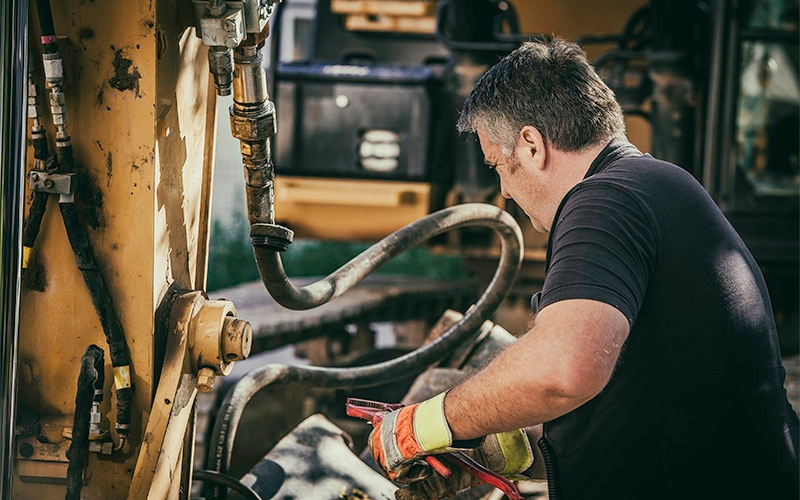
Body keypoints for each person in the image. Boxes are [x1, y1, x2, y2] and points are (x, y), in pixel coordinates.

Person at [368, 38, 800, 500]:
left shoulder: (606, 200)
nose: (505, 193)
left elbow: (563, 371)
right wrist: (500, 451)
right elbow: (642, 398)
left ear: (532, 145)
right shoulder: (653, 186)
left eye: (498, 166)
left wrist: (425, 424)